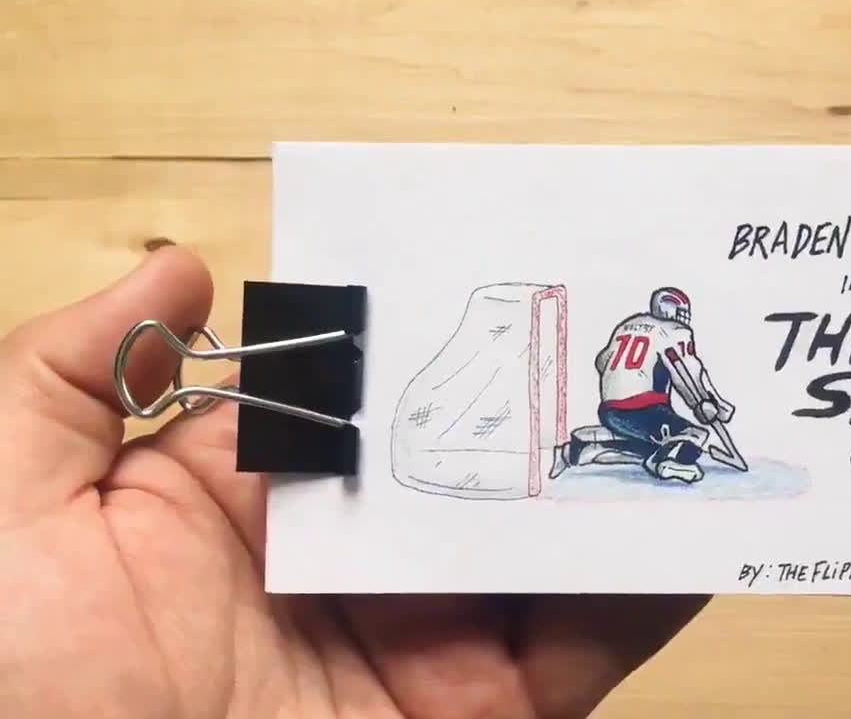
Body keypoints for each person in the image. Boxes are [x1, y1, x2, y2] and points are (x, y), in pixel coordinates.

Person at [0, 246, 707, 718]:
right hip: (617, 418)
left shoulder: (622, 329)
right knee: (675, 428)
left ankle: (600, 443)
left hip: (589, 416)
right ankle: (657, 451)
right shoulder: (671, 335)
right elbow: (687, 377)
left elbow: (601, 366)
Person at [549, 287, 735, 484]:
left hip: (610, 410)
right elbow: (689, 372)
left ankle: (577, 450)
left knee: (652, 444)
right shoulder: (676, 331)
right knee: (696, 434)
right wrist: (705, 403)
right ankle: (664, 462)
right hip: (644, 409)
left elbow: (602, 361)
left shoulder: (627, 326)